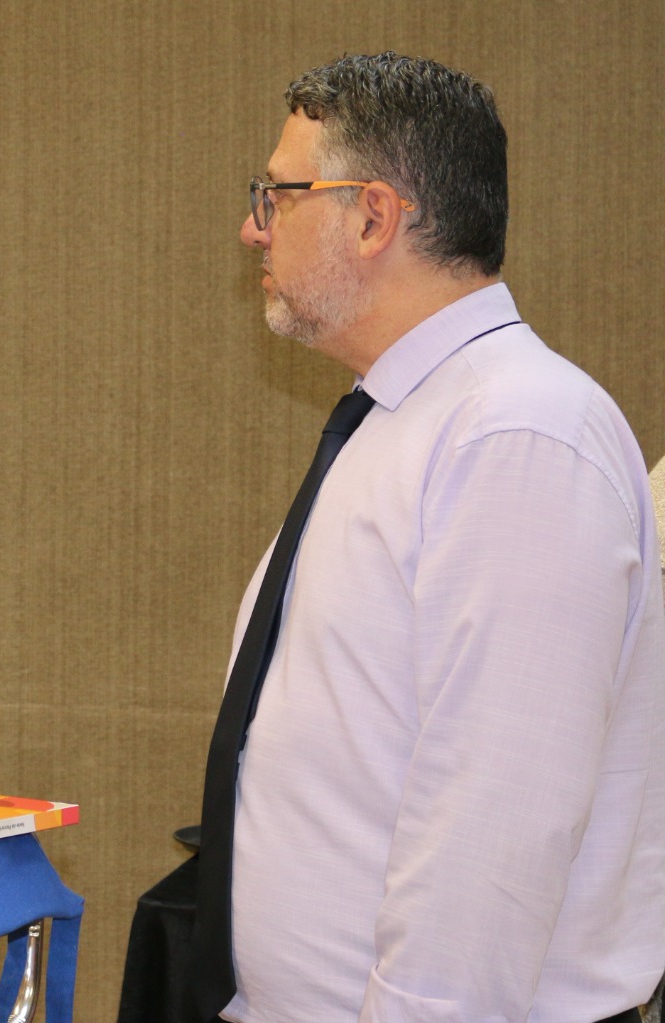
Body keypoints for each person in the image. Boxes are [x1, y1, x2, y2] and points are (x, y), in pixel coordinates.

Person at [190, 52, 665, 1022]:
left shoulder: (519, 434)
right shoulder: (406, 419)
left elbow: (490, 836)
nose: (251, 227)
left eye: (277, 194)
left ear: (373, 215)